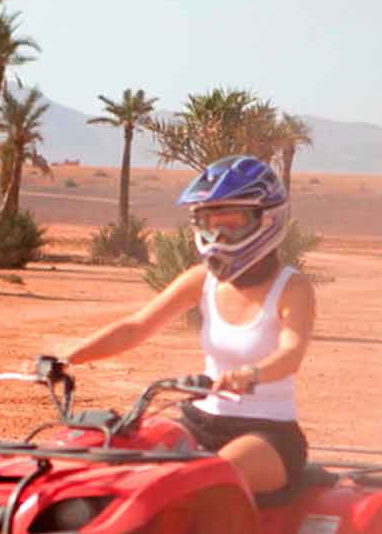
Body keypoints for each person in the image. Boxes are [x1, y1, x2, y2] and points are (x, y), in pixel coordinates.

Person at [56, 155, 315, 496]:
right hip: (199, 421)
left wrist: (250, 374)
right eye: (211, 223)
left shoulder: (292, 287)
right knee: (115, 462)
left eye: (233, 223)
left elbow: (291, 354)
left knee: (209, 483)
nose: (220, 235)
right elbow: (137, 326)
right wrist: (67, 358)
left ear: (268, 219)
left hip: (267, 433)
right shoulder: (202, 280)